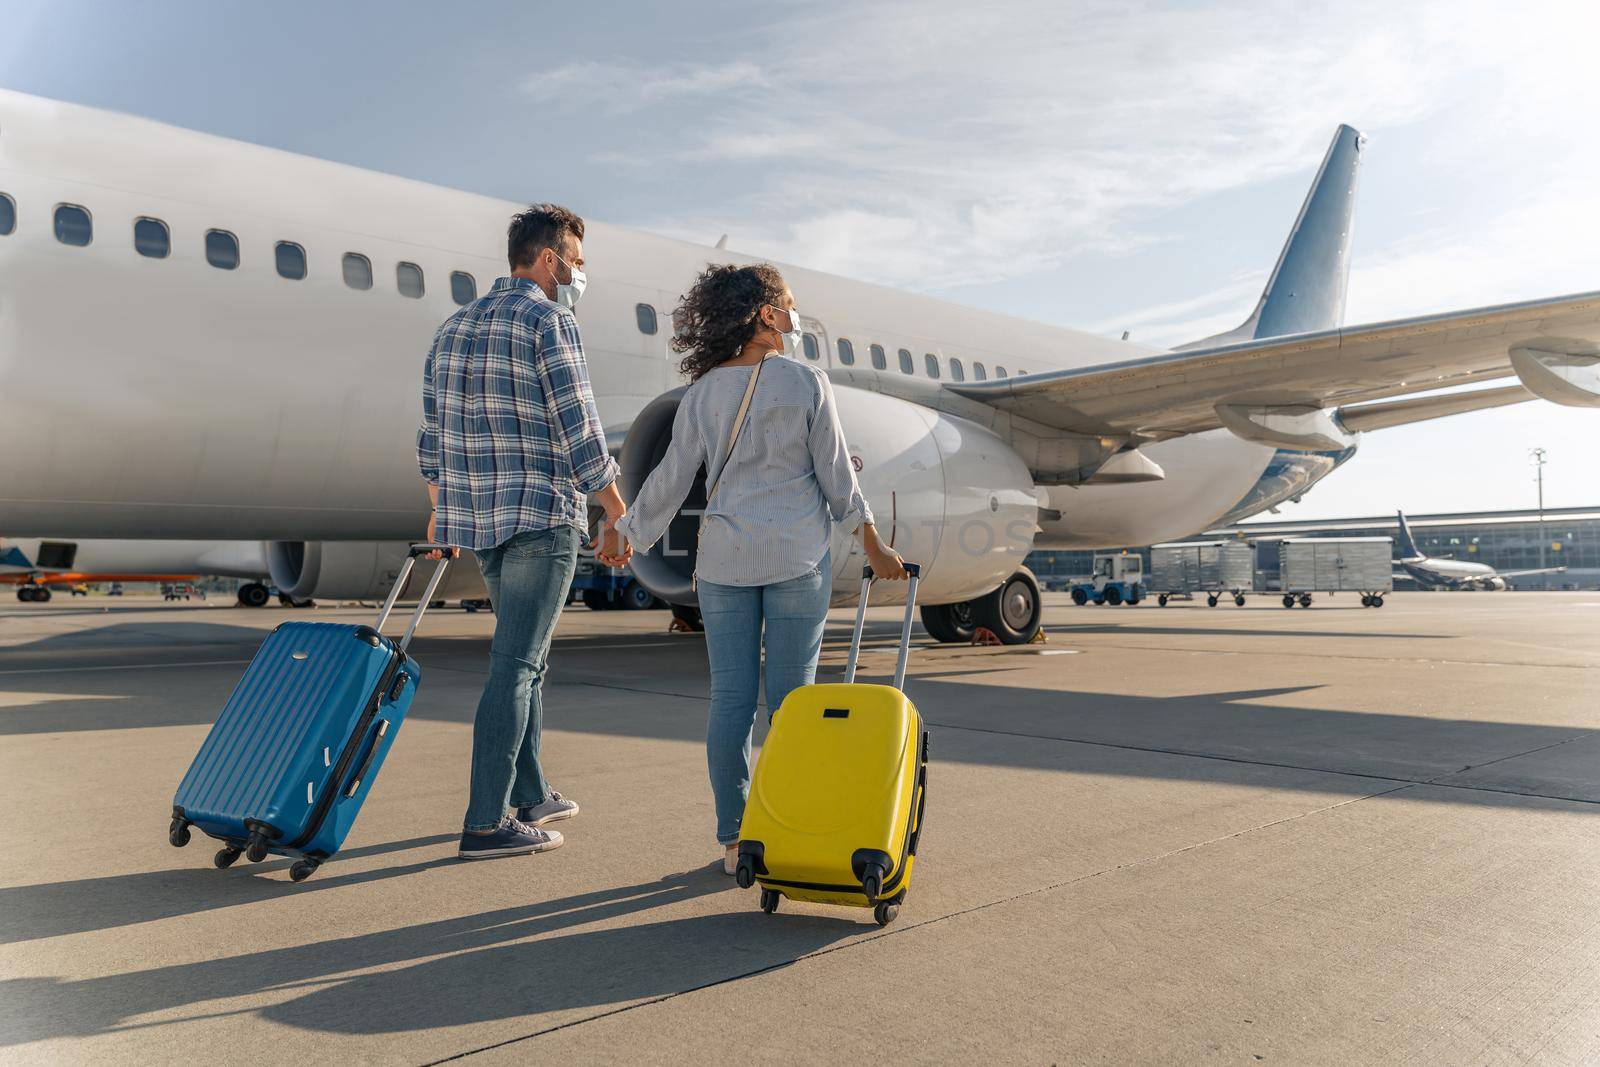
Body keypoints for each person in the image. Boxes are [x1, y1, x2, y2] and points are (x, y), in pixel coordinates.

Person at [614, 263, 906, 874]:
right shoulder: (805, 382)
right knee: (795, 704)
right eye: (789, 307)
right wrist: (873, 542)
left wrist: (629, 534)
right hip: (797, 557)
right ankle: (784, 826)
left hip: (723, 561)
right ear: (767, 315)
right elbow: (837, 476)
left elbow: (671, 478)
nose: (795, 317)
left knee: (730, 703)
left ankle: (732, 839)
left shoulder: (700, 393)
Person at [417, 203, 631, 861]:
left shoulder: (452, 328)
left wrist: (440, 504)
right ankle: (486, 823)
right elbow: (579, 426)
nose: (579, 274)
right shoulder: (550, 320)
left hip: (482, 522)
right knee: (516, 664)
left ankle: (531, 792)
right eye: (578, 261)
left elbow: (432, 439)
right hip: (540, 515)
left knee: (524, 659)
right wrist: (616, 508)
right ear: (549, 259)